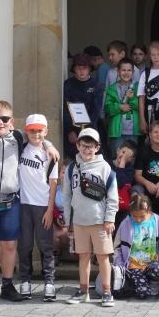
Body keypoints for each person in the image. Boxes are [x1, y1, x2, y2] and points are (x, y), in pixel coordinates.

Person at [0, 100, 58, 304]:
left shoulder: (19, 137)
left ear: (11, 121)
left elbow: (39, 136)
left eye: (4, 119)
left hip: (12, 200)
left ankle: (7, 285)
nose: (0, 122)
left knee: (11, 244)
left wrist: (49, 144)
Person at [63, 128, 119, 307]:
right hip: (79, 221)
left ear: (97, 147)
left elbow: (113, 196)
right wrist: (68, 221)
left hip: (100, 221)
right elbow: (66, 197)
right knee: (83, 256)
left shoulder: (105, 167)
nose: (86, 150)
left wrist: (110, 219)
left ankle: (107, 291)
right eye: (83, 145)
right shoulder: (71, 168)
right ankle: (83, 290)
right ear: (77, 146)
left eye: (90, 146)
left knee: (103, 257)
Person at [17, 114, 60, 302]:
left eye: (40, 130)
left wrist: (50, 210)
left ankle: (49, 281)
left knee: (45, 245)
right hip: (23, 204)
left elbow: (53, 184)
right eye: (32, 130)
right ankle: (25, 280)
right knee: (24, 245)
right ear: (26, 131)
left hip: (43, 206)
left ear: (46, 131)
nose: (36, 134)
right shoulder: (20, 148)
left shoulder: (51, 155)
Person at [113, 194, 159, 299]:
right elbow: (117, 247)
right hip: (133, 265)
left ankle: (153, 283)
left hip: (150, 263)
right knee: (143, 293)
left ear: (148, 210)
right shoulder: (125, 223)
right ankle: (138, 284)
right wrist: (120, 265)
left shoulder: (156, 220)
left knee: (158, 268)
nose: (138, 219)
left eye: (142, 216)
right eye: (135, 216)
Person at [63, 54, 102, 158]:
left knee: (90, 156)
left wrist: (87, 130)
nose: (81, 71)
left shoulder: (96, 85)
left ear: (89, 69)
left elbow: (97, 110)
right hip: (72, 130)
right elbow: (65, 109)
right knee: (73, 156)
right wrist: (70, 130)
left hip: (91, 128)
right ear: (74, 69)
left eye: (84, 68)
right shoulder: (68, 84)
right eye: (78, 68)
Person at [104, 58, 140, 157]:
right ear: (118, 72)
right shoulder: (111, 88)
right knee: (117, 158)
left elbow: (141, 107)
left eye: (129, 70)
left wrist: (132, 98)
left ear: (133, 72)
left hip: (133, 130)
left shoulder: (138, 87)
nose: (126, 73)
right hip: (117, 131)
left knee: (131, 158)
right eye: (123, 70)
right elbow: (107, 108)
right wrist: (119, 107)